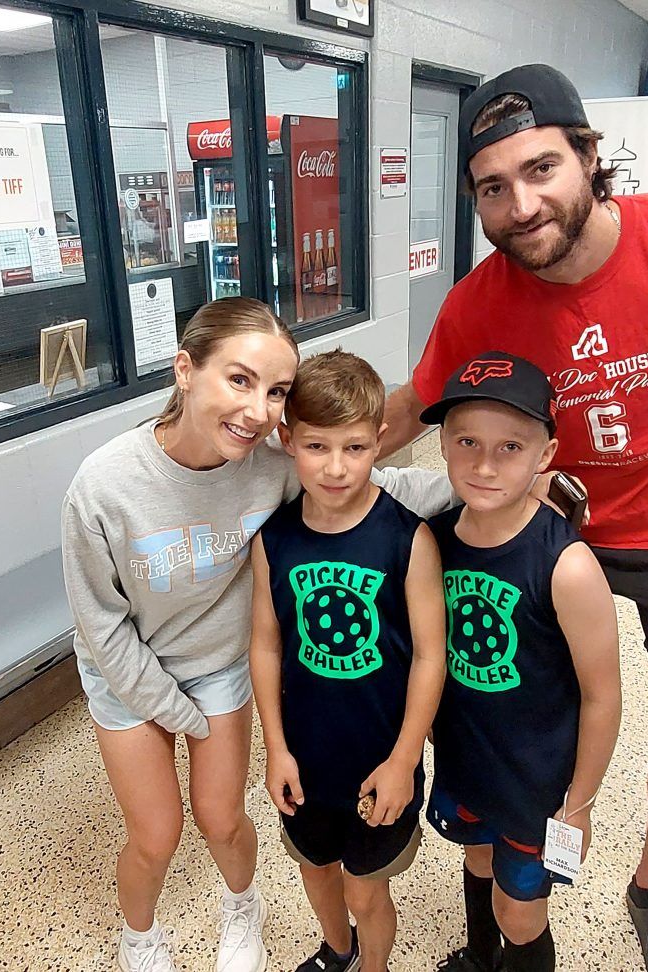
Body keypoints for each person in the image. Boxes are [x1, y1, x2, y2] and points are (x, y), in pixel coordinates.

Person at [382, 64, 648, 972]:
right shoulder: (480, 300)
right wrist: (291, 437)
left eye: (541, 168)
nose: (521, 204)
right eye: (492, 188)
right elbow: (409, 410)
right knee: (505, 696)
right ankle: (507, 843)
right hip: (547, 532)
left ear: (589, 157)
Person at [61, 299, 452, 972]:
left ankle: (242, 907)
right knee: (156, 834)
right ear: (185, 370)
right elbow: (100, 622)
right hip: (125, 667)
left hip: (218, 666)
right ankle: (141, 939)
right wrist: (178, 713)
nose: (258, 410)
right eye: (239, 380)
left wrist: (490, 482)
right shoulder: (103, 485)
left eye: (275, 392)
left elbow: (373, 483)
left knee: (222, 818)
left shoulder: (271, 467)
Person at [422, 353, 621, 972]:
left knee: (521, 912)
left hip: (537, 780)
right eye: (467, 442)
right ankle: (480, 960)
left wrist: (581, 802)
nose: (484, 464)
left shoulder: (568, 566)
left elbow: (603, 695)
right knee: (476, 858)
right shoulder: (436, 537)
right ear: (445, 446)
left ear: (545, 454)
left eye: (511, 446)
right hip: (466, 757)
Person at [248, 350, 446, 972]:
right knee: (316, 870)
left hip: (379, 759)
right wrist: (274, 747)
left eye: (355, 448)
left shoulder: (407, 538)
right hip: (306, 756)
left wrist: (404, 760)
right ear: (287, 441)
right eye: (316, 447)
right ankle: (337, 952)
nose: (336, 468)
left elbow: (430, 659)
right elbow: (266, 643)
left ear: (379, 440)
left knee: (366, 886)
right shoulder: (274, 539)